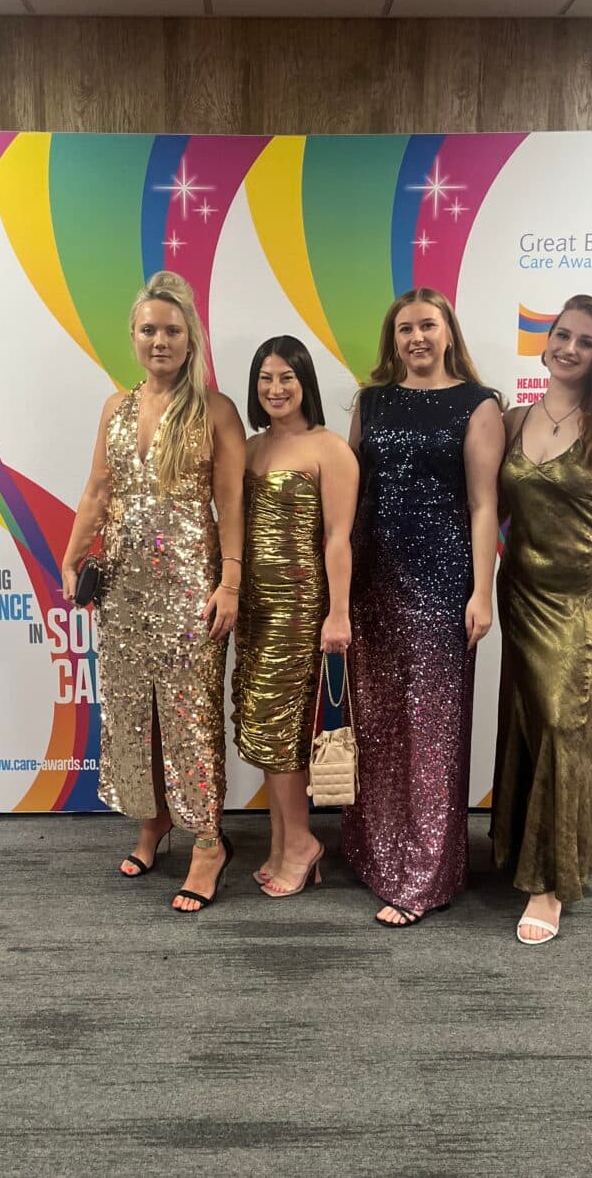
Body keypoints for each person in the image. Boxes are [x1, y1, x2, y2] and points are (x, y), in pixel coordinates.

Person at [61, 271, 246, 914]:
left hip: (191, 589)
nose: (159, 340)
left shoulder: (216, 411)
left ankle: (207, 841)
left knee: (190, 716)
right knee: (133, 712)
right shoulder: (115, 405)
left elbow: (230, 504)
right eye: (148, 329)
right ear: (134, 336)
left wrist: (229, 581)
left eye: (171, 330)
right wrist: (72, 555)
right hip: (122, 588)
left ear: (191, 337)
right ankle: (154, 817)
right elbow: (96, 492)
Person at [342, 287, 505, 928]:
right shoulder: (372, 401)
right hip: (373, 579)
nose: (416, 338)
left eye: (427, 326)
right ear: (394, 339)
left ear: (447, 332)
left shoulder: (478, 404)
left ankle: (428, 873)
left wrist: (481, 592)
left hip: (443, 585)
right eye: (405, 328)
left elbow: (484, 505)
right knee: (379, 723)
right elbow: (353, 494)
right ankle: (377, 854)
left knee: (432, 729)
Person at [490, 294, 592, 946]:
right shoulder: (512, 415)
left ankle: (551, 882)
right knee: (532, 723)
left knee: (564, 724)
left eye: (586, 342)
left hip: (588, 595)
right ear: (546, 340)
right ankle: (529, 851)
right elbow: (485, 505)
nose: (570, 349)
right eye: (563, 335)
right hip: (523, 591)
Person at [232, 336, 359, 899]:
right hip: (253, 608)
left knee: (280, 728)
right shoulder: (250, 448)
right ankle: (284, 841)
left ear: (304, 381)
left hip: (300, 610)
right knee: (261, 725)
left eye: (286, 377)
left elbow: (338, 540)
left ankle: (303, 841)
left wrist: (338, 613)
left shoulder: (329, 448)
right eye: (265, 378)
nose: (275, 389)